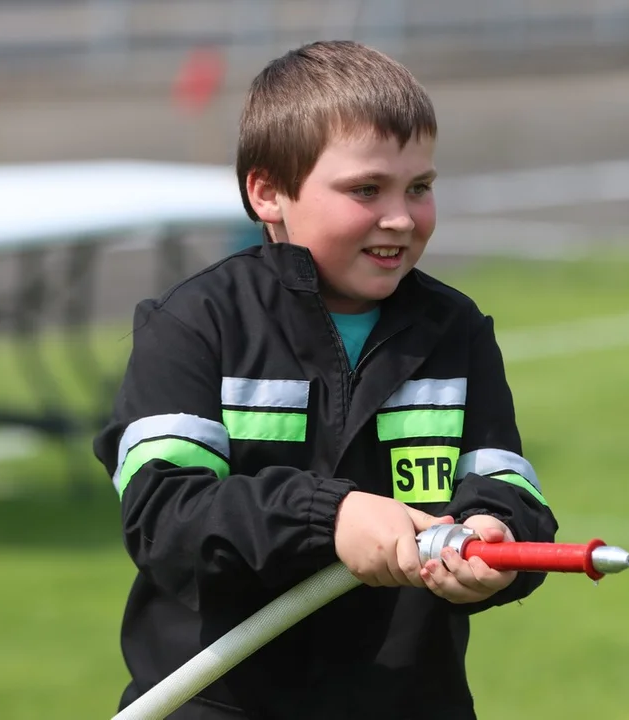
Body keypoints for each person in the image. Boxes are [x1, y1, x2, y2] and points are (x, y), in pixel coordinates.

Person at [93, 39, 558, 720]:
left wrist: (493, 535)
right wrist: (330, 518)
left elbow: (509, 486)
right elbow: (165, 514)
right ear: (267, 192)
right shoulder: (195, 325)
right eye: (366, 190)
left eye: (419, 188)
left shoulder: (454, 330)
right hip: (222, 704)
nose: (400, 217)